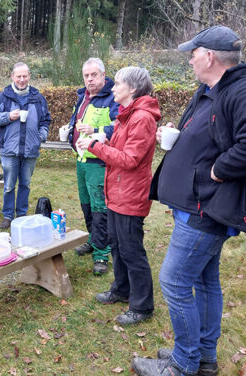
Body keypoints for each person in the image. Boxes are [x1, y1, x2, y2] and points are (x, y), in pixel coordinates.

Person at [132, 26, 246, 376]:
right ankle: (202, 357)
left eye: (193, 54)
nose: (189, 60)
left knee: (174, 281)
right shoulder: (212, 89)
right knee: (203, 281)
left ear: (209, 56)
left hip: (208, 208)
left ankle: (183, 364)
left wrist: (219, 169)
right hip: (195, 204)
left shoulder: (243, 91)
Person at [76, 66, 160, 325]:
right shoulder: (127, 115)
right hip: (117, 191)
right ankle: (122, 289)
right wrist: (101, 143)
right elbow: (119, 147)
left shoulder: (142, 118)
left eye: (118, 84)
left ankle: (142, 305)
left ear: (132, 89)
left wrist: (95, 146)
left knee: (132, 250)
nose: (113, 88)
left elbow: (130, 159)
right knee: (117, 244)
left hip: (130, 194)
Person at [67, 57, 119, 275]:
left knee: (100, 209)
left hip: (98, 162)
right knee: (86, 206)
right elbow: (76, 121)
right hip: (81, 160)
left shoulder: (113, 97)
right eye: (86, 75)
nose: (89, 79)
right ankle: (93, 239)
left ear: (103, 75)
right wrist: (69, 130)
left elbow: (120, 126)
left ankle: (102, 253)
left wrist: (98, 130)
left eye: (94, 75)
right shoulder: (83, 97)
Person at [0, 62, 51, 229]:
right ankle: (8, 216)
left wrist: (42, 136)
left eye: (25, 76)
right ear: (12, 77)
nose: (22, 80)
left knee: (25, 184)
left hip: (30, 149)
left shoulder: (38, 98)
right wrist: (8, 116)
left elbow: (45, 120)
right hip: (10, 149)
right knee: (9, 185)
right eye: (18, 76)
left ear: (29, 76)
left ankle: (21, 215)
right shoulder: (2, 97)